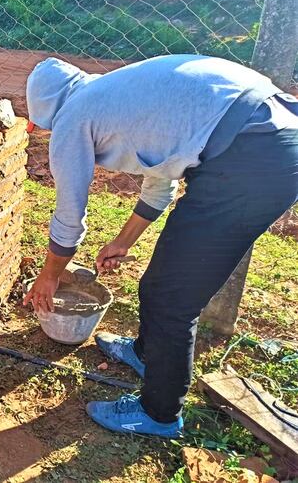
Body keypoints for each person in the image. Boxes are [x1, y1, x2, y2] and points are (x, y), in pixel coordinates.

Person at [23, 54, 298, 438]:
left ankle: (159, 413)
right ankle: (146, 353)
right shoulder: (116, 97)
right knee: (159, 284)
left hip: (249, 157)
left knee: (173, 299)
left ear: (48, 110)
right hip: (271, 135)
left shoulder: (74, 115)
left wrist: (49, 277)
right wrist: (122, 241)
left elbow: (69, 213)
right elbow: (161, 179)